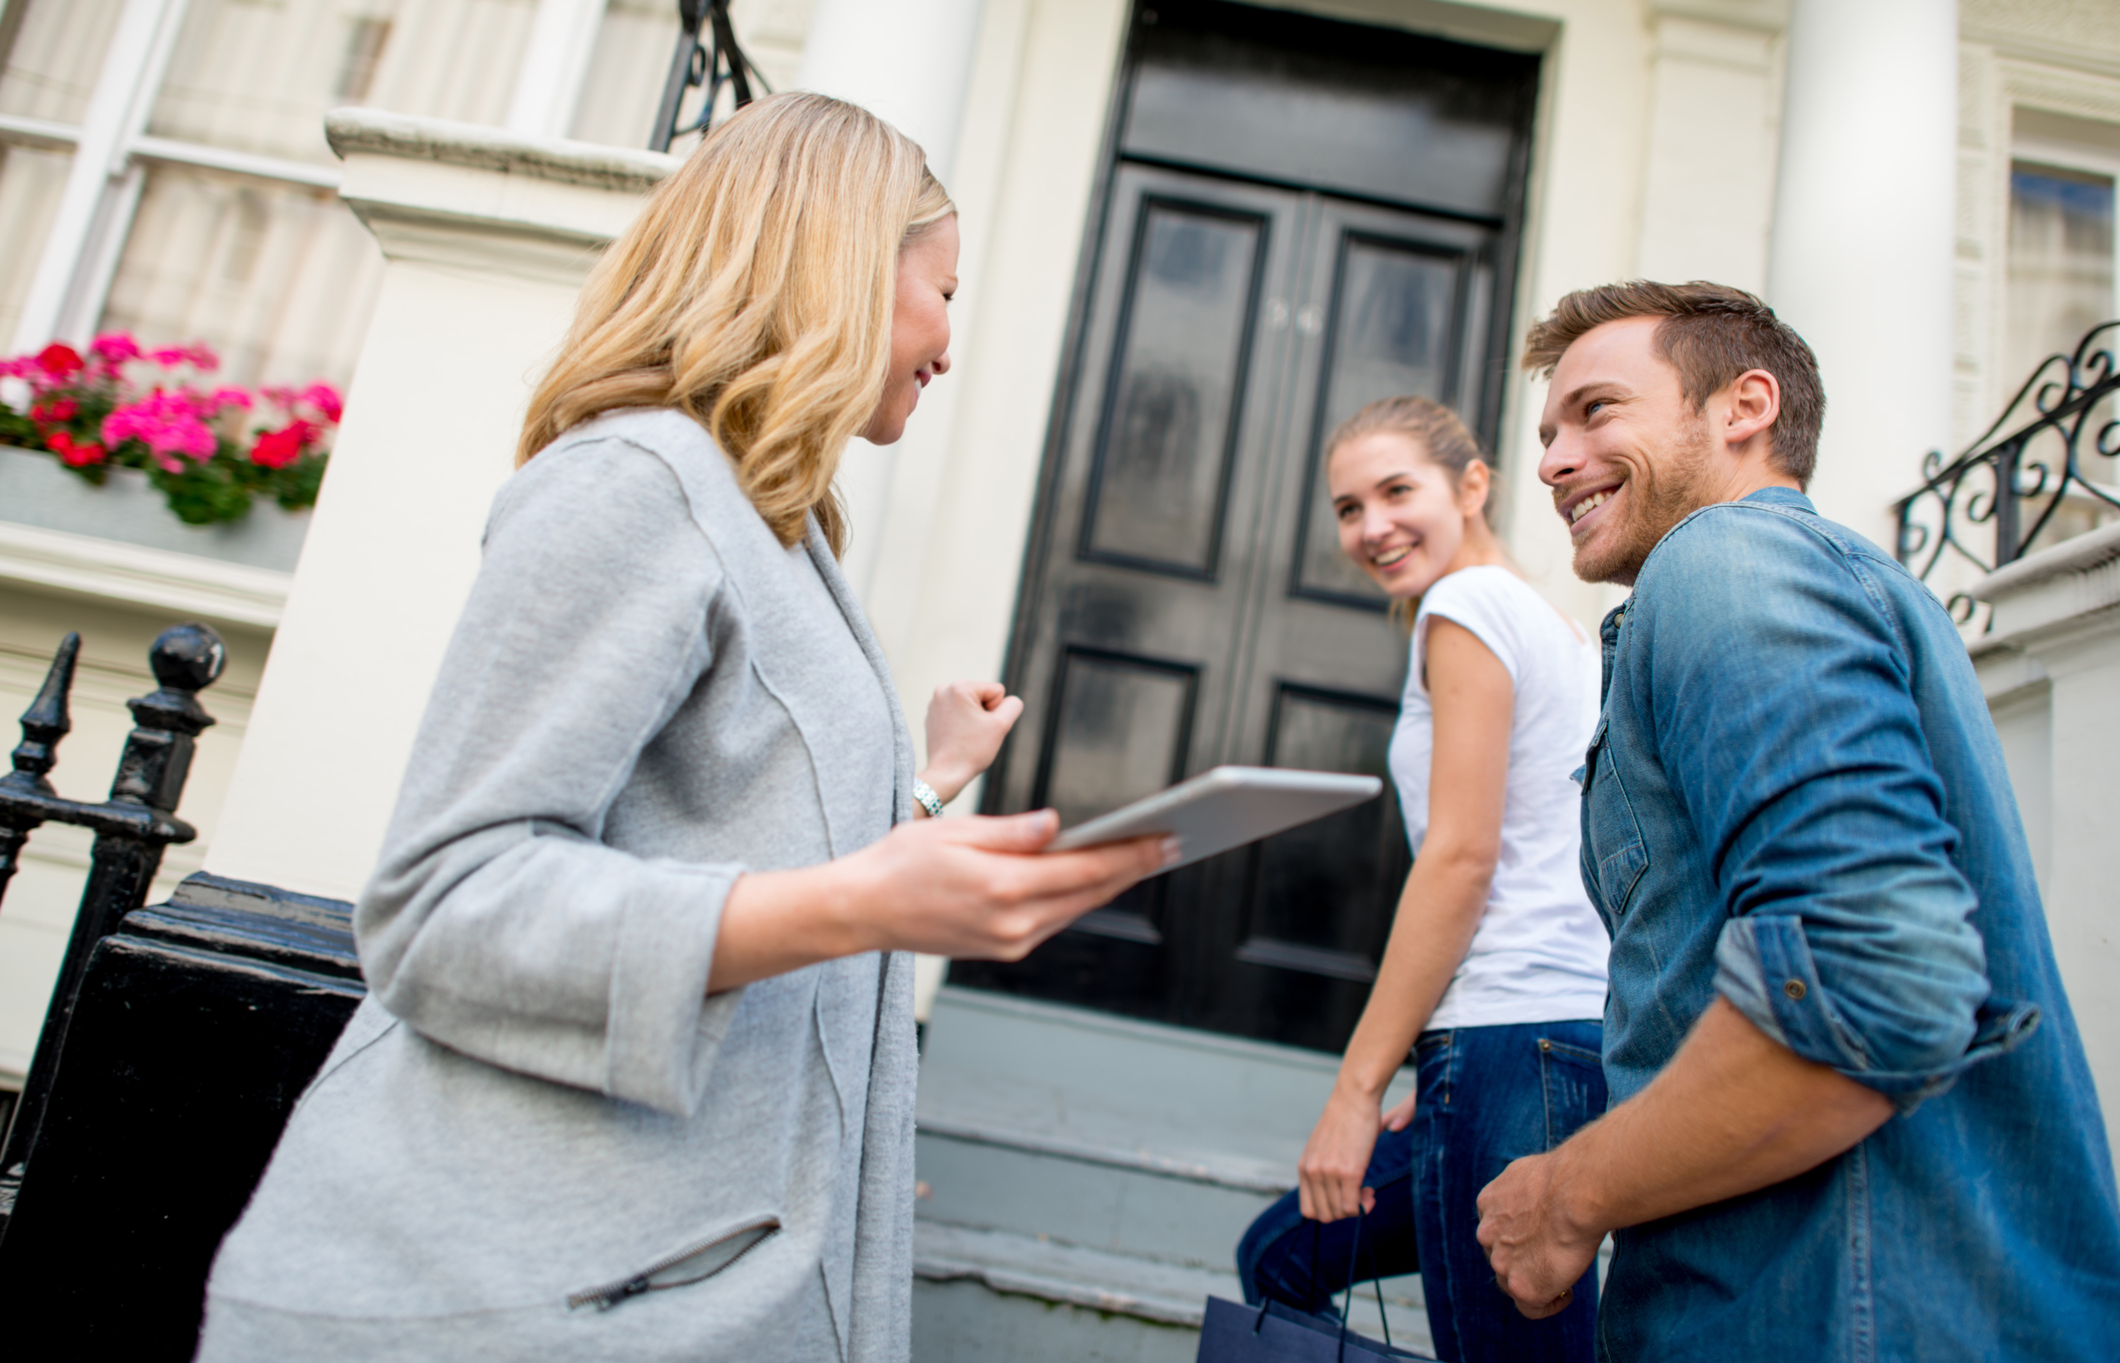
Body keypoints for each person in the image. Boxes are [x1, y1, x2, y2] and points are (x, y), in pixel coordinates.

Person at [195, 94, 1170, 1362]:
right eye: (942, 291)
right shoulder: (632, 485)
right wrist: (860, 903)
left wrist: (927, 788)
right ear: (837, 266)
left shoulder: (776, 525)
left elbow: (729, 842)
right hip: (523, 1302)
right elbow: (443, 904)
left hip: (677, 1279)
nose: (947, 342)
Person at [1477, 280, 2120, 1359]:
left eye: (1595, 411)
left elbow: (1870, 980)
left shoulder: (1727, 562)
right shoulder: (1827, 581)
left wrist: (1568, 1193)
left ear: (1745, 406)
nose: (1551, 462)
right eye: (1547, 435)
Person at [1235, 397, 1609, 1362]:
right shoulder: (1559, 627)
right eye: (1348, 508)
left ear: (1472, 485)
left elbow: (1462, 856)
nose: (1372, 527)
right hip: (1546, 1039)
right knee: (1281, 1259)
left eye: (1397, 491)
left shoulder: (1464, 608)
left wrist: (1357, 1090)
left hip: (1507, 1035)